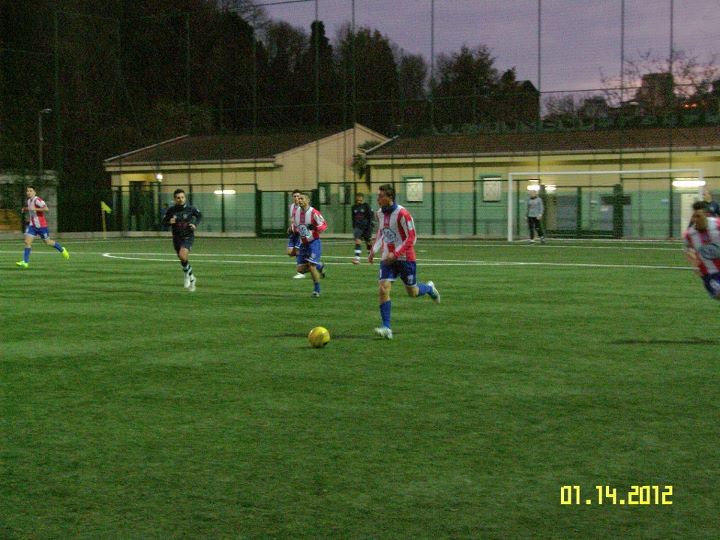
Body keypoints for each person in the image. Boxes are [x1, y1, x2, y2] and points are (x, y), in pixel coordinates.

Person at [368, 184, 440, 339]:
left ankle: (429, 288)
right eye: (378, 196)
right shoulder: (379, 214)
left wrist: (397, 253)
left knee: (412, 292)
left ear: (390, 197)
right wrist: (374, 250)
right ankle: (387, 327)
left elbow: (412, 237)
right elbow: (381, 232)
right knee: (383, 288)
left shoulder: (403, 214)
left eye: (381, 196)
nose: (378, 198)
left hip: (405, 258)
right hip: (388, 258)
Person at [16, 186, 69, 268]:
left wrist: (36, 209)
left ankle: (62, 249)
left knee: (48, 242)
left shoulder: (38, 200)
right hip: (32, 226)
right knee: (27, 242)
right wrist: (25, 208)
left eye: (30, 191)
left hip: (42, 226)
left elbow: (46, 209)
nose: (28, 192)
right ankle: (25, 262)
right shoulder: (29, 201)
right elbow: (31, 209)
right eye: (27, 191)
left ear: (34, 192)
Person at [161, 189, 202, 292]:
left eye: (182, 197)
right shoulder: (171, 210)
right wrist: (169, 222)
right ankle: (188, 274)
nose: (180, 199)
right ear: (175, 199)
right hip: (177, 238)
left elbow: (199, 216)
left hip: (188, 236)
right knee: (182, 258)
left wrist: (195, 224)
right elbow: (163, 222)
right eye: (178, 198)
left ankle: (192, 278)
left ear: (185, 198)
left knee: (183, 255)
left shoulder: (190, 209)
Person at [291, 193, 327, 297]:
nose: (299, 200)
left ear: (308, 200)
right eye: (298, 198)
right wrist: (292, 229)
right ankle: (319, 265)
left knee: (311, 266)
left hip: (314, 242)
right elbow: (298, 227)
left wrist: (315, 228)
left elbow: (324, 225)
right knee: (300, 269)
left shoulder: (313, 212)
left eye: (302, 198)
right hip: (303, 243)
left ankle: (317, 290)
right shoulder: (297, 212)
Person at [684, 200, 720, 301]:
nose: (695, 219)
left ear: (706, 214)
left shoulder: (717, 225)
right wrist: (694, 263)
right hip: (710, 274)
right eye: (694, 216)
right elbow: (687, 249)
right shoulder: (690, 234)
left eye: (698, 216)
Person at [351, 192, 374, 264]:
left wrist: (370, 226)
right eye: (358, 200)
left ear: (362, 199)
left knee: (368, 243)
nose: (359, 202)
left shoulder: (366, 206)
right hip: (358, 228)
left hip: (366, 227)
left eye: (360, 200)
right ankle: (357, 259)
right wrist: (354, 227)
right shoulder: (353, 207)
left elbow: (370, 216)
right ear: (356, 199)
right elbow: (353, 218)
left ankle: (370, 257)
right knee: (357, 241)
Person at [287, 189, 305, 278]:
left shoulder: (303, 207)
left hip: (301, 233)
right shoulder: (291, 206)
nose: (296, 198)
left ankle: (300, 273)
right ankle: (318, 266)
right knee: (290, 253)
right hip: (293, 233)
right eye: (294, 196)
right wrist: (291, 227)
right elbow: (292, 219)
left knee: (298, 251)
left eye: (298, 196)